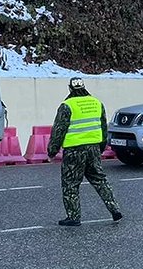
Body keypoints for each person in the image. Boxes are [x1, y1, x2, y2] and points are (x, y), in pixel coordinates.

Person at [47, 77, 123, 227]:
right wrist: (100, 148)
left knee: (70, 184)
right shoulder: (97, 103)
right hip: (93, 148)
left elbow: (59, 130)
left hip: (74, 151)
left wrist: (52, 151)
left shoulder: (66, 105)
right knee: (100, 180)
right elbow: (103, 128)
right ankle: (115, 210)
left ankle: (74, 217)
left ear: (70, 88)